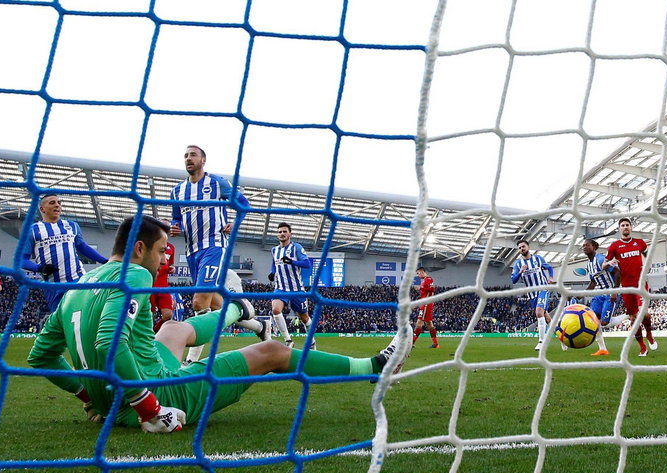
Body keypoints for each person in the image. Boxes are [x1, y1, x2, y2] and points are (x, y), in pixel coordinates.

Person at [27, 215, 401, 430]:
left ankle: (236, 311)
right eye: (160, 252)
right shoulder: (137, 275)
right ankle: (371, 367)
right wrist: (150, 410)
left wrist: (87, 395)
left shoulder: (77, 286)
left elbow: (40, 357)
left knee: (172, 329)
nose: (162, 262)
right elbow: (110, 343)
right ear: (139, 249)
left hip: (116, 393)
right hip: (158, 392)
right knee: (271, 350)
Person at [170, 145, 266, 363]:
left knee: (198, 303)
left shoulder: (216, 183)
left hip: (214, 247)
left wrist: (236, 222)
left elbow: (243, 204)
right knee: (217, 307)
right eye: (185, 155)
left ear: (203, 160)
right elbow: (176, 219)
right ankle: (259, 325)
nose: (188, 158)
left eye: (193, 155)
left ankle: (191, 361)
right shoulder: (177, 191)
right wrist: (175, 227)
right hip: (192, 252)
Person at [23, 193, 109, 312]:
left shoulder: (72, 225)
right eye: (52, 203)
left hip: (78, 279)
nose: (57, 205)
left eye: (59, 203)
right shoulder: (32, 230)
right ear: (42, 209)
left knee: (85, 314)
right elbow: (21, 261)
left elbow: (82, 246)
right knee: (62, 322)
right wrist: (39, 268)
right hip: (53, 286)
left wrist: (105, 261)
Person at [602, 218, 657, 357]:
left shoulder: (639, 243)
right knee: (633, 318)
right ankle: (642, 347)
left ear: (631, 228)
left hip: (640, 284)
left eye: (627, 225)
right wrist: (610, 263)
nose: (625, 227)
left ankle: (649, 334)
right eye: (622, 225)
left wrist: (648, 266)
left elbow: (648, 256)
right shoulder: (614, 246)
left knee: (645, 313)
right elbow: (603, 265)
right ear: (619, 229)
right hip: (626, 287)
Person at [511, 239, 563, 351]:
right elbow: (514, 280)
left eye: (523, 246)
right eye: (519, 248)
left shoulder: (538, 259)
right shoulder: (518, 264)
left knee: (538, 312)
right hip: (531, 294)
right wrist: (520, 271)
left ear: (528, 247)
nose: (521, 249)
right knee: (547, 317)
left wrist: (550, 277)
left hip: (543, 289)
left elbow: (549, 267)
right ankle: (562, 338)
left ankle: (541, 342)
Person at [268, 222, 314, 349]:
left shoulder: (296, 248)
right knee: (275, 309)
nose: (282, 234)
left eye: (284, 231)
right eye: (279, 232)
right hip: (280, 288)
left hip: (297, 289)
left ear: (290, 234)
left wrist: (292, 262)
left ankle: (312, 341)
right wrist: (272, 272)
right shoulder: (274, 250)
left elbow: (307, 264)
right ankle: (288, 340)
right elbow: (274, 263)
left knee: (304, 318)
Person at [581, 239, 624, 356]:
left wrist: (614, 291)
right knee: (594, 321)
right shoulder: (589, 264)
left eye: (587, 245)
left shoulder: (600, 259)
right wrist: (582, 294)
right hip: (598, 294)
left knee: (604, 322)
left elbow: (617, 272)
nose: (585, 247)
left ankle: (627, 316)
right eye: (583, 246)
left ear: (594, 247)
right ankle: (602, 349)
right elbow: (593, 283)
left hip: (610, 293)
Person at [151, 240, 176, 333]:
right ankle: (147, 337)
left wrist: (172, 268)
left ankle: (153, 333)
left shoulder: (171, 247)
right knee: (149, 315)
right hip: (150, 285)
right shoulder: (151, 243)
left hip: (163, 286)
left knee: (168, 315)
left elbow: (171, 264)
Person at [412, 267, 438, 349]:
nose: (418, 275)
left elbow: (432, 289)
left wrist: (421, 288)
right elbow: (424, 294)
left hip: (427, 304)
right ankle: (435, 344)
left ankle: (411, 342)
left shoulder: (429, 279)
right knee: (429, 324)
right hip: (424, 304)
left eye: (418, 273)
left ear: (422, 272)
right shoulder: (424, 281)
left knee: (419, 323)